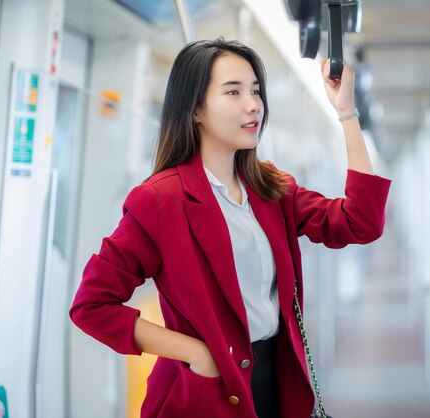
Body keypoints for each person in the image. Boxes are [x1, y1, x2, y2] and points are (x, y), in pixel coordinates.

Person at [69, 38, 391, 418]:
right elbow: (91, 306)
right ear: (196, 110)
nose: (253, 104)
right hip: (206, 391)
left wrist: (346, 113)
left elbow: (361, 222)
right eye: (233, 91)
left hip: (276, 381)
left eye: (255, 91)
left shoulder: (271, 188)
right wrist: (193, 351)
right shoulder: (159, 200)